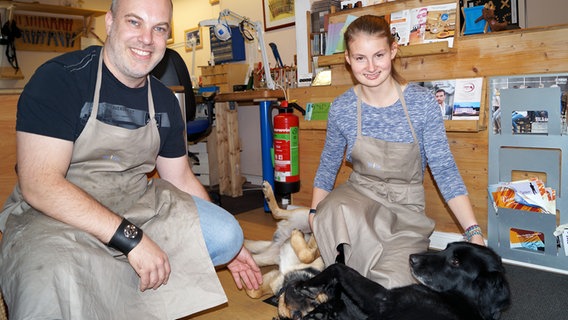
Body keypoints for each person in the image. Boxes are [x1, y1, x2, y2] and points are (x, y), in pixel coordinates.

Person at [0, 0, 262, 318]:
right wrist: (132, 240)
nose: (146, 39)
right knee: (46, 285)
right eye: (134, 22)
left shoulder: (164, 101)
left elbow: (179, 178)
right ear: (110, 22)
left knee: (227, 235)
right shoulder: (60, 80)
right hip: (58, 212)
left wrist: (233, 251)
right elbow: (40, 185)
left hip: (134, 201)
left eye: (159, 28)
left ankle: (122, 282)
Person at [308, 15, 485, 289]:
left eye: (378, 55)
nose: (370, 67)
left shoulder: (422, 103)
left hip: (406, 211)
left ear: (392, 50)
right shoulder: (341, 108)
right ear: (347, 58)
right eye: (360, 58)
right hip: (359, 198)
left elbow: (444, 169)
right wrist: (312, 213)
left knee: (394, 288)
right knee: (329, 209)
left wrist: (473, 231)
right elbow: (328, 165)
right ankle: (338, 276)